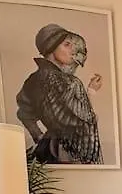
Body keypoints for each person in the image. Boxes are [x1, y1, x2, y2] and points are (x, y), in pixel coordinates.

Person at [16, 23, 103, 164]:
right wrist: (91, 92)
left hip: (47, 153)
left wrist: (39, 137)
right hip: (73, 153)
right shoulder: (71, 83)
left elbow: (24, 113)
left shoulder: (33, 80)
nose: (73, 50)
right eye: (67, 44)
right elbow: (85, 121)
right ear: (51, 47)